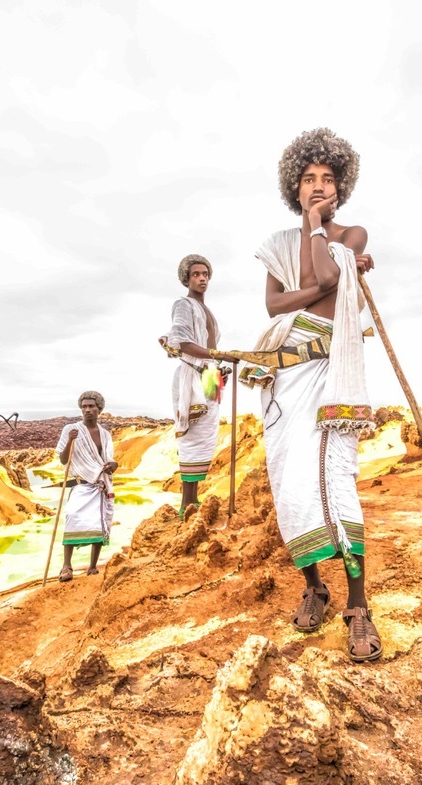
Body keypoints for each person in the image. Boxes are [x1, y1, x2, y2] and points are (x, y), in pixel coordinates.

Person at [235, 127, 382, 662]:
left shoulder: (352, 235)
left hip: (329, 374)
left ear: (340, 188)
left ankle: (359, 605)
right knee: (290, 485)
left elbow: (322, 271)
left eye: (327, 179)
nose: (318, 186)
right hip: (284, 380)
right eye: (308, 180)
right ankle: (315, 586)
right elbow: (276, 308)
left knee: (334, 483)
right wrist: (330, 279)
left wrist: (323, 236)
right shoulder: (277, 246)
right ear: (293, 189)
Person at [161, 253, 222, 521]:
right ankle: (186, 502)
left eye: (205, 274)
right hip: (192, 373)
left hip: (210, 374)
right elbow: (182, 341)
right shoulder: (183, 305)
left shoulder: (209, 311)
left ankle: (195, 497)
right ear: (186, 278)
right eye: (196, 274)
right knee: (191, 436)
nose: (202, 279)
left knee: (208, 434)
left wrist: (219, 368)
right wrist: (216, 356)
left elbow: (213, 346)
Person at [56, 390, 117, 580]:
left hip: (99, 485)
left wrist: (113, 465)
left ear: (99, 409)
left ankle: (92, 566)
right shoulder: (71, 429)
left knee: (98, 523)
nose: (87, 410)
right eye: (84, 407)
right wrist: (70, 441)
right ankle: (66, 566)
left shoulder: (105, 434)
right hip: (81, 485)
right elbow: (63, 459)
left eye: (91, 406)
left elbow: (108, 459)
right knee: (72, 517)